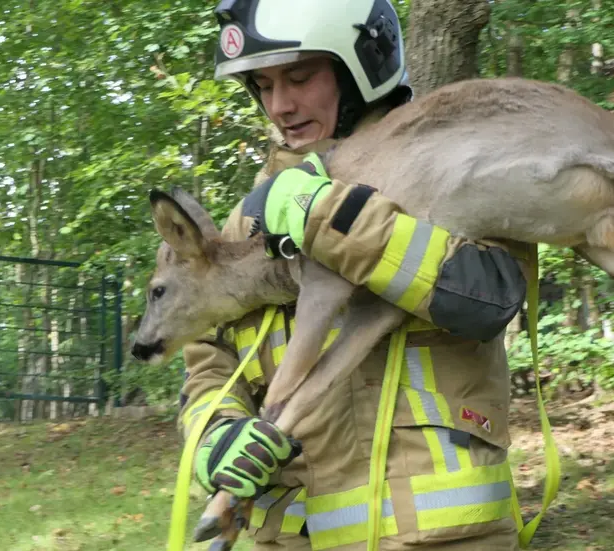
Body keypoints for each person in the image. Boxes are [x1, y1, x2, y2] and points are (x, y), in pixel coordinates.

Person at [177, 1, 530, 549]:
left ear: (362, 69)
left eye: (299, 77)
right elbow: (208, 357)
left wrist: (327, 215)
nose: (279, 105)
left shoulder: (455, 173)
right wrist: (215, 431)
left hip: (440, 538)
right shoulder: (250, 218)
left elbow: (487, 300)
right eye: (263, 86)